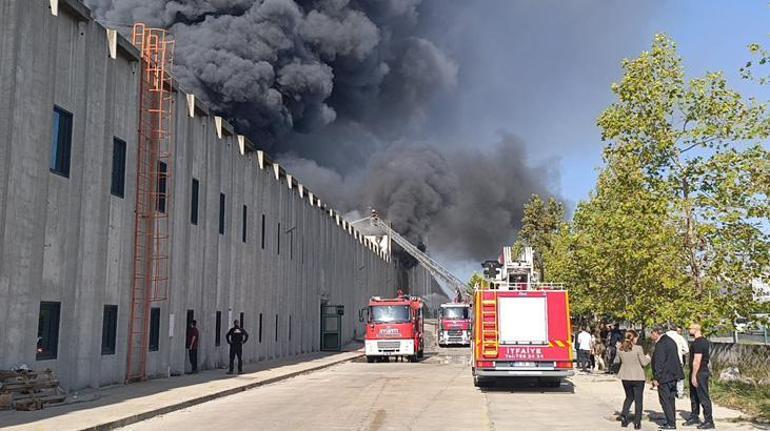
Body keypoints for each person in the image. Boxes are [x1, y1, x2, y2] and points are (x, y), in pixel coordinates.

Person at [615, 329, 650, 430]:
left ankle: (624, 416)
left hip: (625, 376)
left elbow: (619, 361)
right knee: (638, 400)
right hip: (638, 376)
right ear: (634, 338)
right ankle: (637, 422)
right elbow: (643, 363)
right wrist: (648, 357)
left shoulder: (620, 349)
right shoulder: (638, 348)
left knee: (629, 397)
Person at [651, 325, 684, 430]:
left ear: (656, 333)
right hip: (673, 375)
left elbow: (659, 362)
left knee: (665, 400)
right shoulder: (670, 341)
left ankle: (671, 423)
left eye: (652, 333)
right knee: (671, 399)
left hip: (664, 377)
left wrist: (656, 377)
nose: (651, 336)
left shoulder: (661, 344)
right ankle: (671, 420)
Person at [683, 323, 714, 429]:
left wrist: (694, 375)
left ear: (696, 329)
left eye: (690, 328)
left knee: (703, 396)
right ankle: (694, 416)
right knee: (694, 396)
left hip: (700, 372)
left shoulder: (700, 342)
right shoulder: (700, 341)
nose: (688, 330)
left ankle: (709, 420)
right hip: (698, 371)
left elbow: (697, 360)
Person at [666, 324, 690, 399]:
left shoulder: (664, 337)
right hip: (678, 360)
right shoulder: (680, 337)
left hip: (666, 361)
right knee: (679, 377)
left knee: (667, 376)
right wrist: (680, 353)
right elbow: (686, 350)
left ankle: (668, 391)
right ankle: (680, 393)